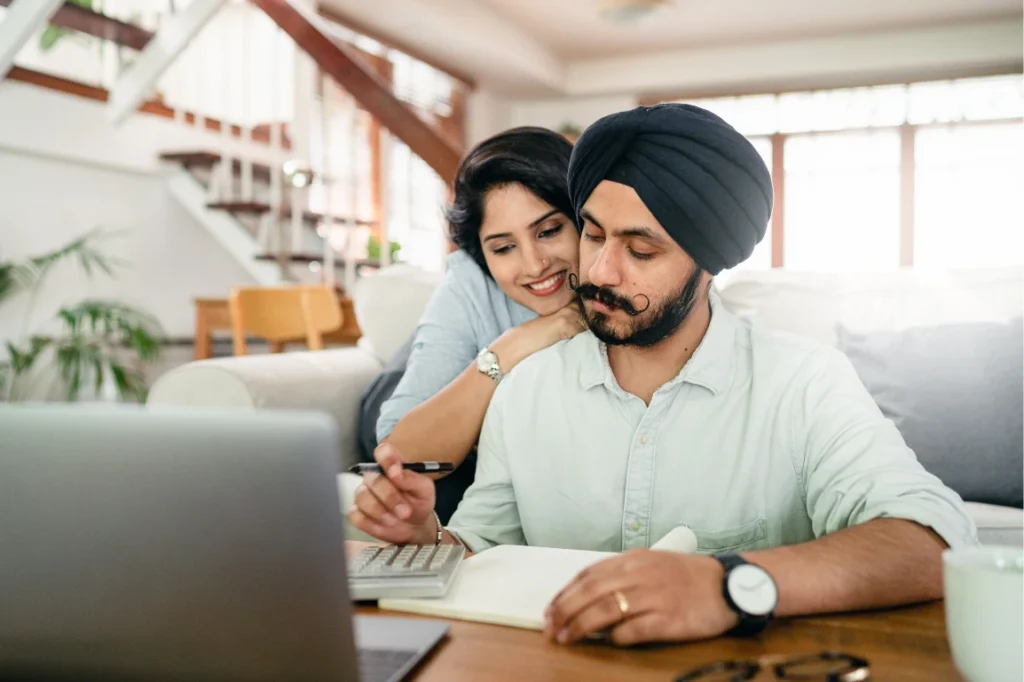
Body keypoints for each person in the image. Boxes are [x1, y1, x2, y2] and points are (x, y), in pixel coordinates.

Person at [348, 104, 977, 646]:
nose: (601, 272)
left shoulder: (803, 381)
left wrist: (729, 583)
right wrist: (424, 536)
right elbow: (484, 549)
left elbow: (931, 543)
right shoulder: (528, 385)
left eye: (641, 250)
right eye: (591, 235)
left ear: (711, 260)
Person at [365, 126, 586, 523]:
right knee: (443, 490)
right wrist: (515, 344)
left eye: (549, 230)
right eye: (503, 248)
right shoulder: (470, 280)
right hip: (406, 390)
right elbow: (403, 453)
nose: (535, 264)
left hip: (482, 418)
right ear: (482, 253)